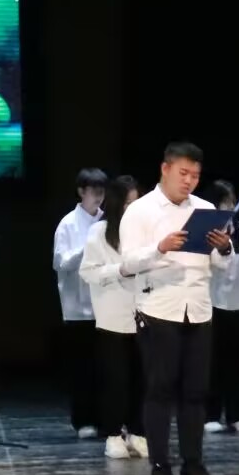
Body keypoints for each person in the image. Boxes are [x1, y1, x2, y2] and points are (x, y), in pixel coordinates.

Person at [119, 141, 234, 475]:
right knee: (161, 389)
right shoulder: (139, 211)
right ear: (165, 169)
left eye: (195, 175)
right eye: (183, 173)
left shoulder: (205, 209)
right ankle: (160, 467)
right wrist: (160, 248)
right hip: (158, 308)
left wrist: (224, 247)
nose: (189, 181)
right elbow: (127, 263)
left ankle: (194, 465)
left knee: (196, 392)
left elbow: (221, 264)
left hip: (197, 308)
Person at [79, 176, 145, 460]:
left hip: (144, 313)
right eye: (128, 203)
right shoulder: (99, 232)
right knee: (115, 380)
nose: (133, 208)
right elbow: (88, 271)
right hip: (112, 316)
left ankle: (138, 432)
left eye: (136, 203)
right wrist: (119, 270)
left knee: (142, 379)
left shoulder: (144, 232)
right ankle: (113, 435)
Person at [53, 168, 110, 439]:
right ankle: (83, 420)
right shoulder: (68, 224)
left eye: (101, 191)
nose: (98, 197)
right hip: (77, 308)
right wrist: (86, 248)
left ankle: (106, 419)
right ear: (81, 192)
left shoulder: (107, 221)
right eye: (93, 191)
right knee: (82, 368)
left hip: (105, 305)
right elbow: (59, 263)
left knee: (104, 368)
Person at [204, 180, 239, 435]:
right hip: (215, 301)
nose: (231, 205)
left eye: (233, 200)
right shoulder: (208, 230)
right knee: (214, 361)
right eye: (226, 201)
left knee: (237, 361)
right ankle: (211, 414)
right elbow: (213, 263)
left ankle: (237, 415)